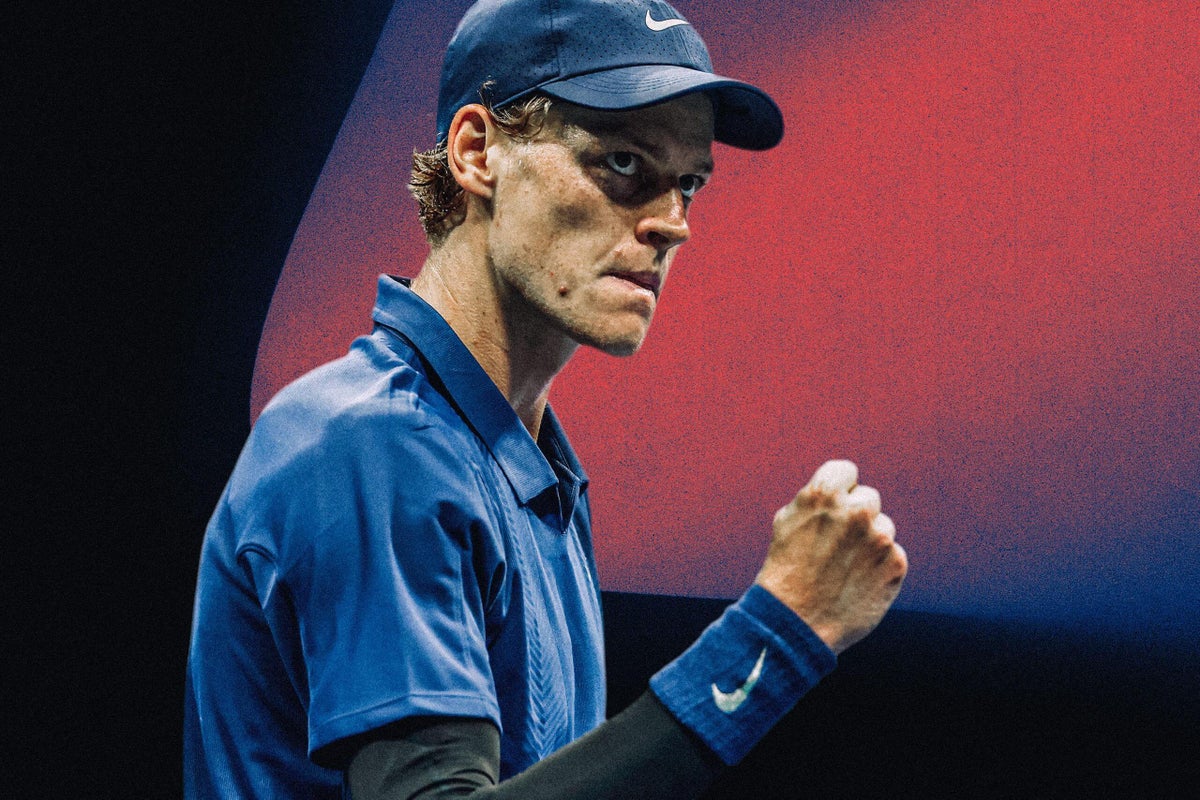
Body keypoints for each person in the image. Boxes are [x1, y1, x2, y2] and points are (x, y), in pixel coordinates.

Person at [184, 0, 908, 797]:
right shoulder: (374, 444)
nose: (674, 224)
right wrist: (781, 629)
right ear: (477, 152)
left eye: (689, 183)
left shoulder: (517, 465)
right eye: (623, 162)